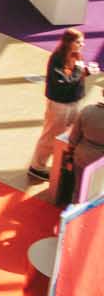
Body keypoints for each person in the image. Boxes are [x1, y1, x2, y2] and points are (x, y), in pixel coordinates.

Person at [30, 30, 93, 183]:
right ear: (68, 42)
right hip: (60, 104)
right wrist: (82, 71)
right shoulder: (57, 59)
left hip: (74, 100)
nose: (82, 45)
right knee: (51, 135)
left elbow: (74, 78)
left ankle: (61, 164)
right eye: (78, 42)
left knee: (70, 135)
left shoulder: (76, 56)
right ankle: (37, 166)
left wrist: (84, 72)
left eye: (82, 41)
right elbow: (63, 82)